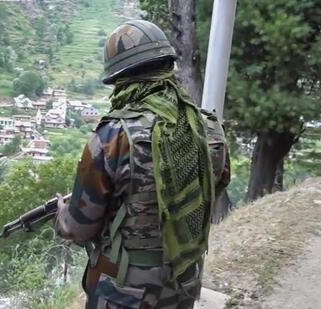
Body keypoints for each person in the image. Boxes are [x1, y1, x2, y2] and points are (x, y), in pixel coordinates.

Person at [54, 20, 230, 309]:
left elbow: (79, 227)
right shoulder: (207, 126)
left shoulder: (112, 136)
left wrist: (62, 215)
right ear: (167, 67)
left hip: (125, 292)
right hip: (182, 283)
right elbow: (216, 185)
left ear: (120, 79)